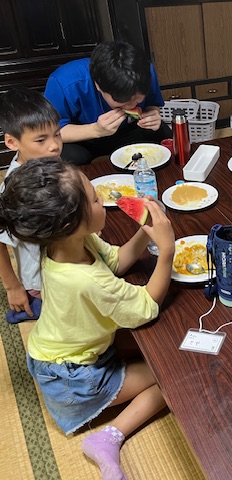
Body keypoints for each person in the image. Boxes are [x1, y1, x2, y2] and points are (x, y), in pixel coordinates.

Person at [0, 158, 175, 478]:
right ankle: (107, 438)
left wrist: (145, 229)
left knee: (155, 349)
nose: (102, 200)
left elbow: (117, 261)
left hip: (56, 352)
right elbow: (146, 307)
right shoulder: (88, 281)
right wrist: (167, 251)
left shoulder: (64, 243)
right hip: (74, 379)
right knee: (170, 378)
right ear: (71, 223)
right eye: (95, 199)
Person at [44, 41, 171, 166]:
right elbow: (52, 132)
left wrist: (153, 114)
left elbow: (152, 105)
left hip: (129, 130)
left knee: (164, 134)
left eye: (138, 100)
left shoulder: (144, 73)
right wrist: (96, 130)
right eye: (122, 102)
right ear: (98, 86)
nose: (132, 106)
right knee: (65, 157)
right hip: (83, 138)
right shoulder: (64, 82)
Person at [0, 88, 63, 323]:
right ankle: (28, 307)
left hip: (62, 261)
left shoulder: (45, 160)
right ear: (11, 142)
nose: (54, 145)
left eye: (57, 134)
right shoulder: (14, 190)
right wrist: (12, 286)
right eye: (41, 140)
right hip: (42, 278)